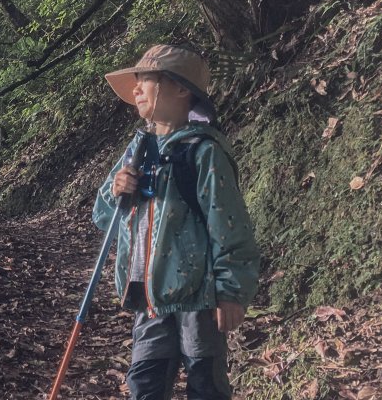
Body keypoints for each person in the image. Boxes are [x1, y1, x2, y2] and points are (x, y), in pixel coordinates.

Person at [92, 44, 260, 400]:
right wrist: (116, 190)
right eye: (136, 82)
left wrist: (231, 292)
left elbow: (229, 224)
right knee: (145, 383)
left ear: (181, 89)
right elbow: (103, 217)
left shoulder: (204, 151)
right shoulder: (137, 150)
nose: (136, 89)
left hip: (198, 296)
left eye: (146, 80)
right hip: (150, 295)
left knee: (204, 383)